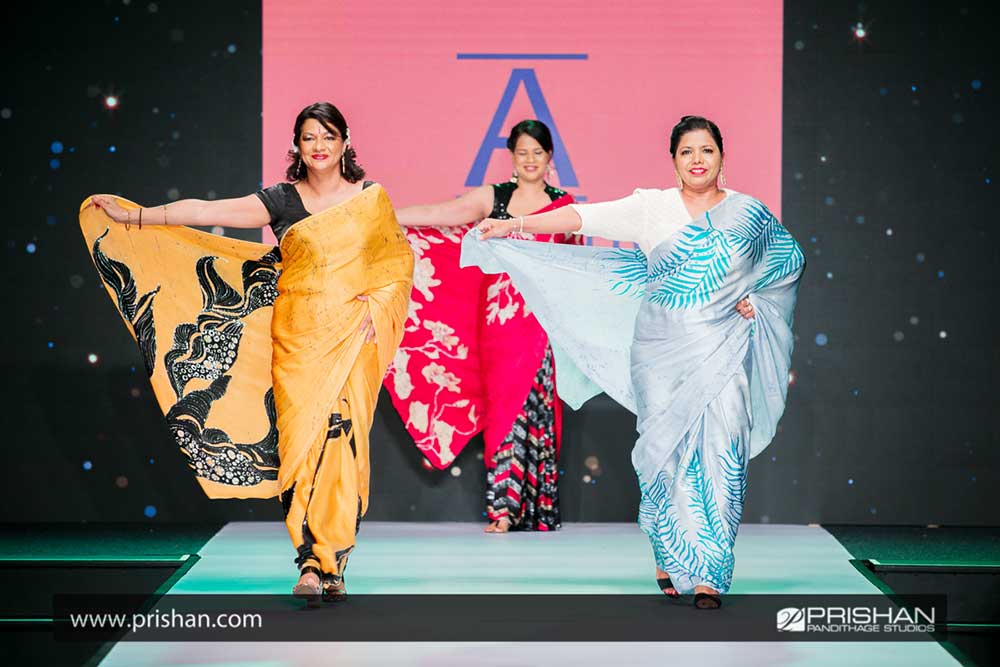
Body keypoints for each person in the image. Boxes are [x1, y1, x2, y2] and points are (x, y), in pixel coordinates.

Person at [463, 115, 803, 608]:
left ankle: (710, 572)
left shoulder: (748, 214)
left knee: (723, 455)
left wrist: (758, 299)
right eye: (686, 152)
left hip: (723, 352)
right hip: (659, 354)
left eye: (706, 150)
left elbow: (787, 262)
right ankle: (669, 548)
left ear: (721, 157)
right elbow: (581, 217)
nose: (697, 160)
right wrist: (513, 225)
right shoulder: (652, 208)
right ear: (674, 160)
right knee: (663, 457)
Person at [81, 102, 413, 605]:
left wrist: (381, 304)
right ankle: (309, 563)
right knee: (299, 444)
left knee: (340, 441)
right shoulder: (281, 200)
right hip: (297, 339)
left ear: (345, 142)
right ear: (297, 146)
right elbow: (207, 212)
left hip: (351, 342)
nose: (319, 146)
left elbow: (397, 263)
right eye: (309, 137)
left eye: (328, 136)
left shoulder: (370, 199)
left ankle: (334, 563)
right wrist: (136, 216)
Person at [389, 120, 576, 533]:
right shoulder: (496, 197)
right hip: (500, 322)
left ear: (549, 157)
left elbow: (577, 268)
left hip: (545, 324)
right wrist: (384, 216)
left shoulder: (564, 205)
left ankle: (539, 509)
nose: (530, 159)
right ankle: (502, 511)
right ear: (512, 157)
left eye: (538, 152)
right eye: (522, 152)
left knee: (541, 409)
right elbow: (441, 214)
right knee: (503, 409)